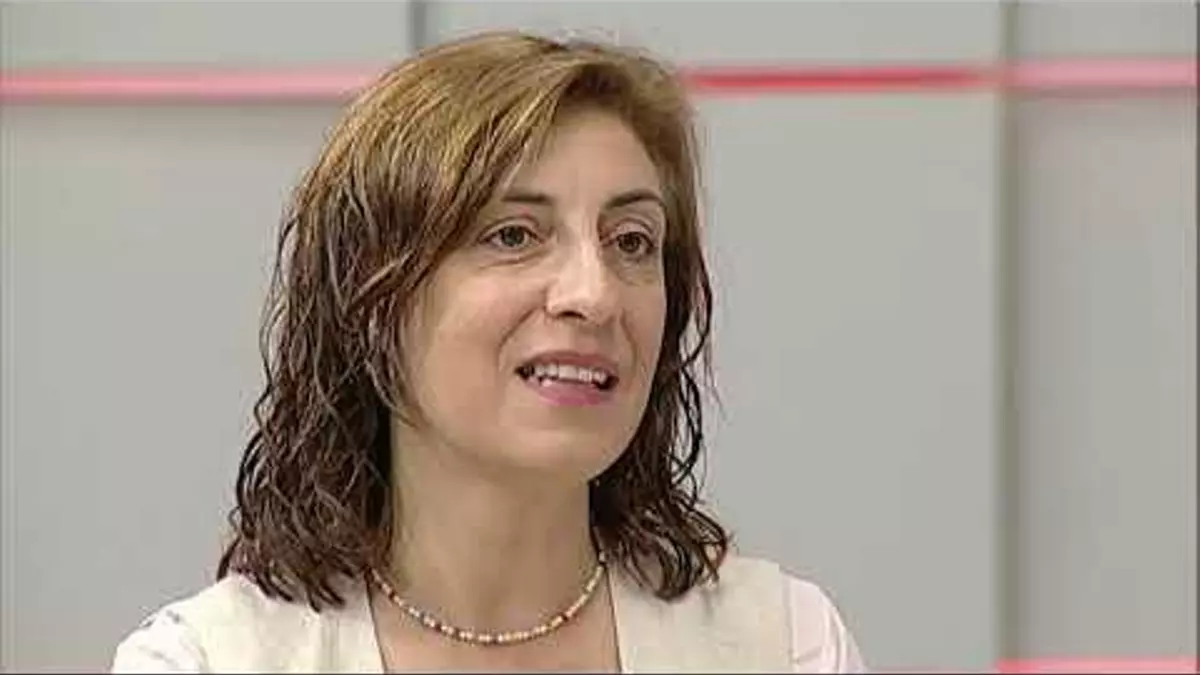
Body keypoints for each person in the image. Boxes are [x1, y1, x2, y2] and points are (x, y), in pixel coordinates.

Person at [111, 30, 865, 673]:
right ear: (371, 300)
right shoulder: (208, 660)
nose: (595, 294)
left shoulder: (785, 645)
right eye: (513, 235)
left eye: (632, 241)